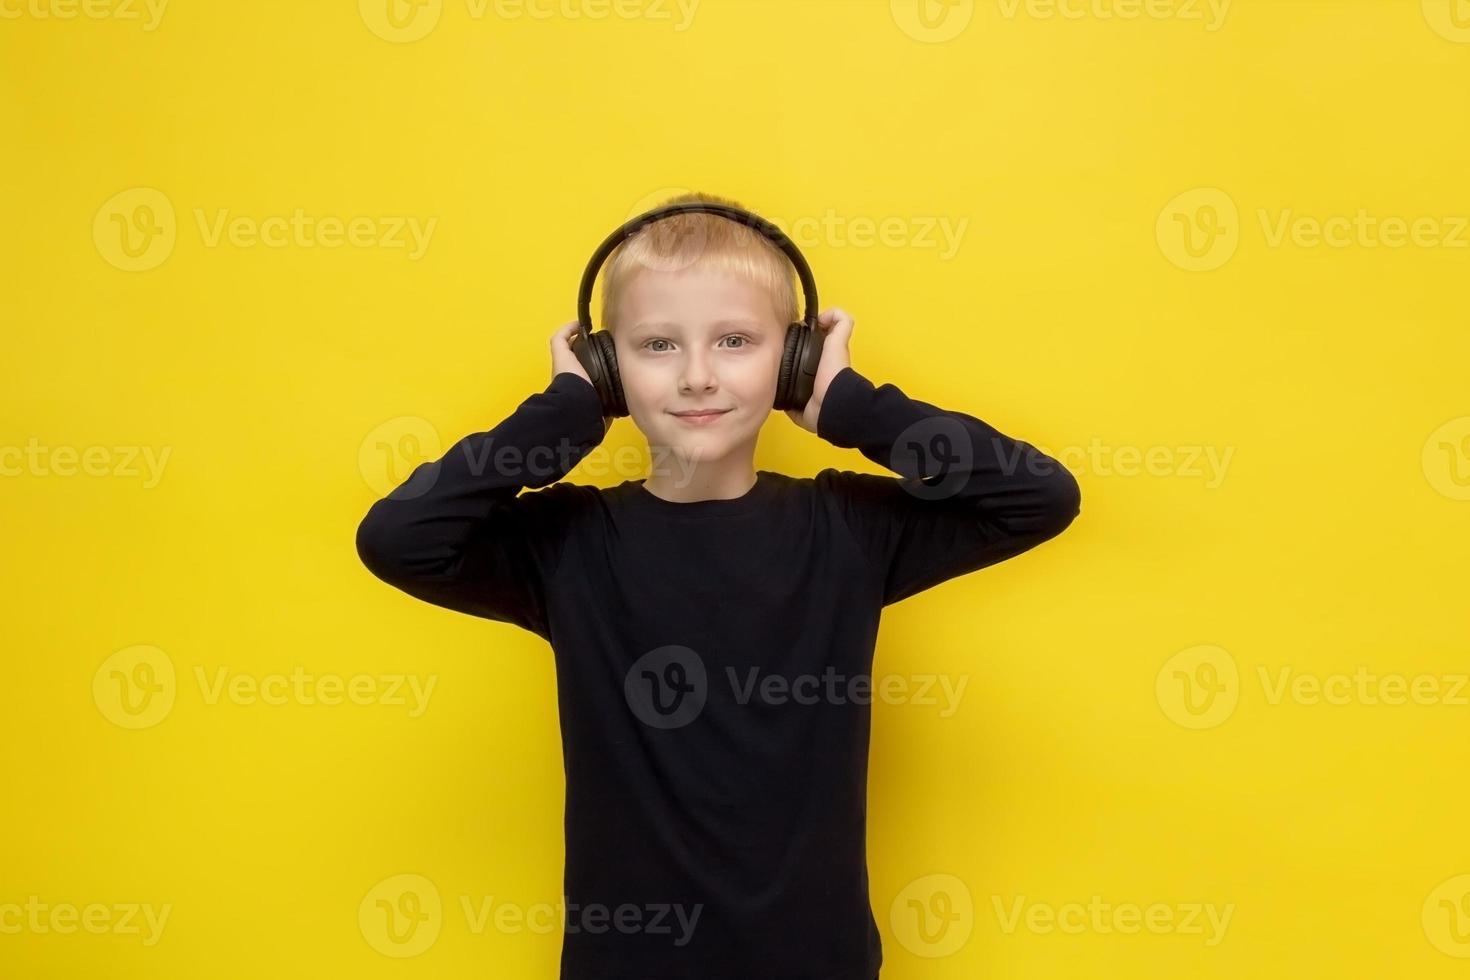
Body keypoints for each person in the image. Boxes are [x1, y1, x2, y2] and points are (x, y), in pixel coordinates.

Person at [354, 192, 1082, 980]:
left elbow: (1039, 495)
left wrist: (852, 405)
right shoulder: (566, 546)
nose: (698, 376)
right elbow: (399, 538)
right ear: (608, 370)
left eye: (735, 341)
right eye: (657, 346)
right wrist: (561, 414)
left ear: (793, 358)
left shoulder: (849, 531)